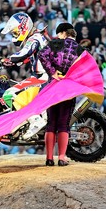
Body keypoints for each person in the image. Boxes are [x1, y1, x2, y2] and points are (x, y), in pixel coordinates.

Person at [38, 23, 86, 166]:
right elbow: (85, 69)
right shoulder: (80, 49)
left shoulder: (55, 44)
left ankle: (49, 158)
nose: (58, 36)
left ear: (64, 33)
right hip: (68, 89)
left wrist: (53, 72)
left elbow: (41, 55)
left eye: (59, 33)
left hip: (53, 86)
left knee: (51, 122)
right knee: (63, 124)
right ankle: (62, 157)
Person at [0, 12, 50, 140]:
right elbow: (25, 58)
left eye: (15, 32)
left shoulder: (35, 38)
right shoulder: (36, 37)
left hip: (43, 78)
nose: (15, 36)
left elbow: (23, 53)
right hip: (45, 77)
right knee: (17, 88)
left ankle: (36, 120)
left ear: (23, 27)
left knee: (9, 94)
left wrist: (4, 60)